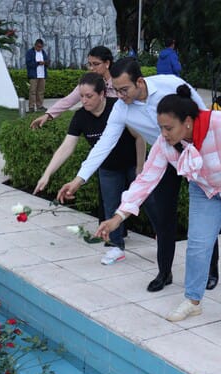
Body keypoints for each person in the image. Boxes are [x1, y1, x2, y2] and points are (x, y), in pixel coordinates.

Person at [96, 86, 221, 322]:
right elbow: (146, 179)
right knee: (197, 244)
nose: (163, 134)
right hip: (205, 190)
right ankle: (193, 300)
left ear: (187, 122)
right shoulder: (165, 143)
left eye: (168, 128)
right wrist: (118, 217)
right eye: (161, 128)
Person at [55, 58, 220, 292]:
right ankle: (164, 272)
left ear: (140, 82)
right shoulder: (121, 109)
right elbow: (104, 144)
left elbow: (203, 115)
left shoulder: (169, 84)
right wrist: (78, 179)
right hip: (163, 158)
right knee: (163, 218)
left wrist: (207, 152)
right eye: (116, 90)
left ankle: (211, 270)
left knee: (205, 214)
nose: (120, 96)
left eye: (124, 90)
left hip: (196, 155)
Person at [34, 73, 145, 265]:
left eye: (89, 96)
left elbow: (139, 137)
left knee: (148, 203)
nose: (84, 101)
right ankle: (115, 247)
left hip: (132, 164)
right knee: (111, 207)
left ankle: (163, 237)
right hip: (108, 168)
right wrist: (47, 174)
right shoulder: (80, 117)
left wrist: (140, 168)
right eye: (81, 96)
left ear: (102, 94)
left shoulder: (117, 108)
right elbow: (67, 147)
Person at [31, 45, 115, 129]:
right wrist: (48, 114)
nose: (91, 68)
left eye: (96, 64)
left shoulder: (118, 81)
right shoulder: (89, 81)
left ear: (107, 63)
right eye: (89, 64)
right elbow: (69, 100)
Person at [26, 39, 49, 112]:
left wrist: (45, 62)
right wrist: (38, 63)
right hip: (34, 75)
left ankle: (40, 106)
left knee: (41, 91)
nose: (40, 48)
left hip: (42, 75)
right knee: (32, 91)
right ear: (35, 45)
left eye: (41, 47)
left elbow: (47, 61)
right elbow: (28, 63)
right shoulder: (30, 52)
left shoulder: (43, 52)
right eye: (38, 47)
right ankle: (31, 107)